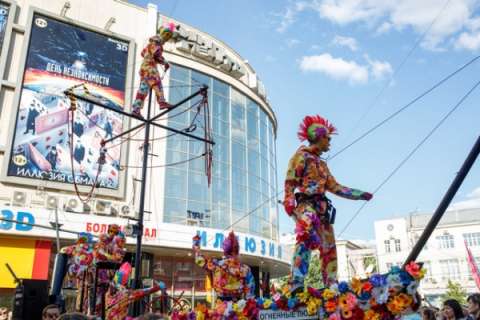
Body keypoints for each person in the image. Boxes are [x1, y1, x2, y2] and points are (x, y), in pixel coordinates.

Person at [283, 115, 373, 292]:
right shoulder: (301, 157)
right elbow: (290, 182)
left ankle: (331, 284)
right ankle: (297, 282)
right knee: (306, 234)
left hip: (322, 211)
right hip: (306, 206)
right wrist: (289, 204)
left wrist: (359, 194)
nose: (330, 142)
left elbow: (335, 187)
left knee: (329, 245)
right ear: (319, 137)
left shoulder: (322, 165)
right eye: (328, 138)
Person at [192, 231, 255, 301]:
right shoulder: (245, 268)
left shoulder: (216, 265)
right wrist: (249, 302)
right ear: (237, 251)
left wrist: (196, 244)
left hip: (221, 305)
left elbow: (199, 260)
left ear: (225, 250)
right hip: (238, 305)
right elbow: (250, 289)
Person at [131, 22, 176, 117]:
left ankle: (136, 109)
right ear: (162, 32)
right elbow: (157, 55)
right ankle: (162, 102)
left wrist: (151, 57)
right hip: (150, 68)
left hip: (144, 69)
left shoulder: (150, 43)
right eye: (166, 34)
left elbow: (143, 53)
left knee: (143, 90)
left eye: (168, 35)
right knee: (157, 84)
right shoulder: (157, 43)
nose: (167, 37)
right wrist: (165, 63)